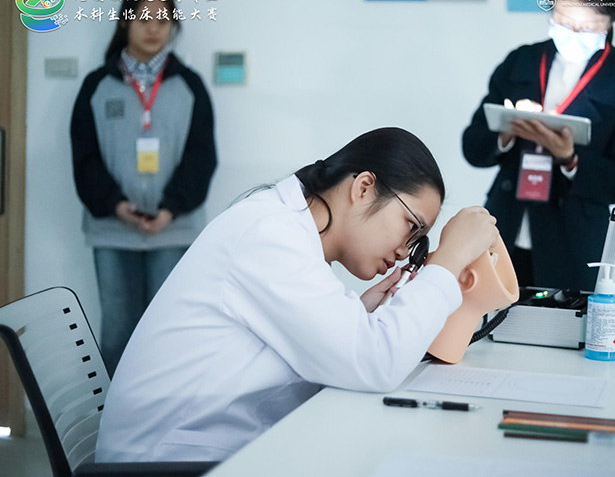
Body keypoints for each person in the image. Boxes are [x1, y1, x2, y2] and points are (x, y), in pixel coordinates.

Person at [94, 127, 499, 462]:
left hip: (205, 450)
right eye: (411, 227)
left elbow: (331, 359)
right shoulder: (270, 234)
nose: (405, 252)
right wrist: (450, 261)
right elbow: (376, 363)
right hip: (166, 462)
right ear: (363, 187)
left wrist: (355, 320)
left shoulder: (283, 227)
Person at [462, 0, 615, 291]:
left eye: (588, 27)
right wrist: (506, 133)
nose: (574, 34)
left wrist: (570, 158)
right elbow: (473, 146)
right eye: (563, 21)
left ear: (610, 21)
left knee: (560, 321)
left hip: (573, 241)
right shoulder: (522, 60)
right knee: (492, 314)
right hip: (506, 225)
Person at [70, 0, 217, 376]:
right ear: (125, 22)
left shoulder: (190, 85)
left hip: (173, 230)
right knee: (118, 335)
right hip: (112, 231)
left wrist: (170, 208)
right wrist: (116, 206)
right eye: (143, 18)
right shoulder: (97, 86)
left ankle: (166, 411)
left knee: (167, 334)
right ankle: (117, 414)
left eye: (163, 19)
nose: (154, 28)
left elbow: (201, 156)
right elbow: (85, 157)